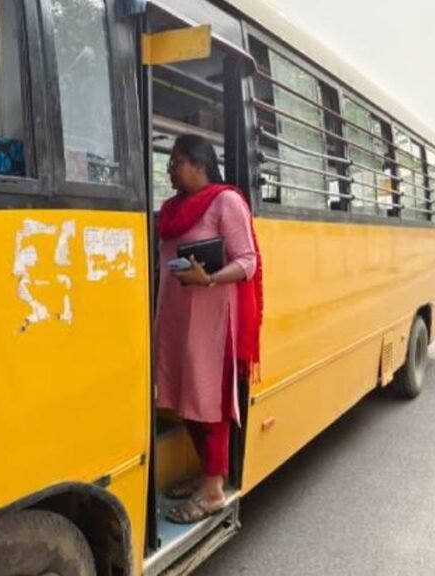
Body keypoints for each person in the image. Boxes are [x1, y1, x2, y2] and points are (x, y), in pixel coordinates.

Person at [156, 134, 263, 524]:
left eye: (176, 161)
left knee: (209, 403)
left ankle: (214, 489)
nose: (170, 168)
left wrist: (211, 278)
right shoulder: (170, 209)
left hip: (211, 321)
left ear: (201, 164)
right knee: (183, 395)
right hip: (174, 318)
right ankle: (205, 473)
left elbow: (247, 261)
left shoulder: (225, 201)